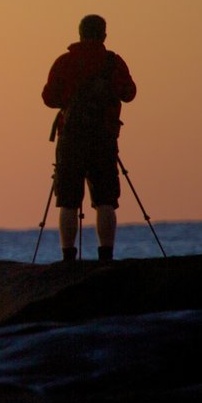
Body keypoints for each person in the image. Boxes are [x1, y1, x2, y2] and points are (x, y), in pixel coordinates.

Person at [42, 14, 136, 261]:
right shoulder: (113, 63)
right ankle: (106, 255)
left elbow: (49, 98)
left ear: (80, 33)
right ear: (104, 35)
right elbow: (129, 93)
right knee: (106, 199)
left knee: (68, 200)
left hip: (71, 138)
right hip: (103, 138)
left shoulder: (65, 62)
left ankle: (68, 257)